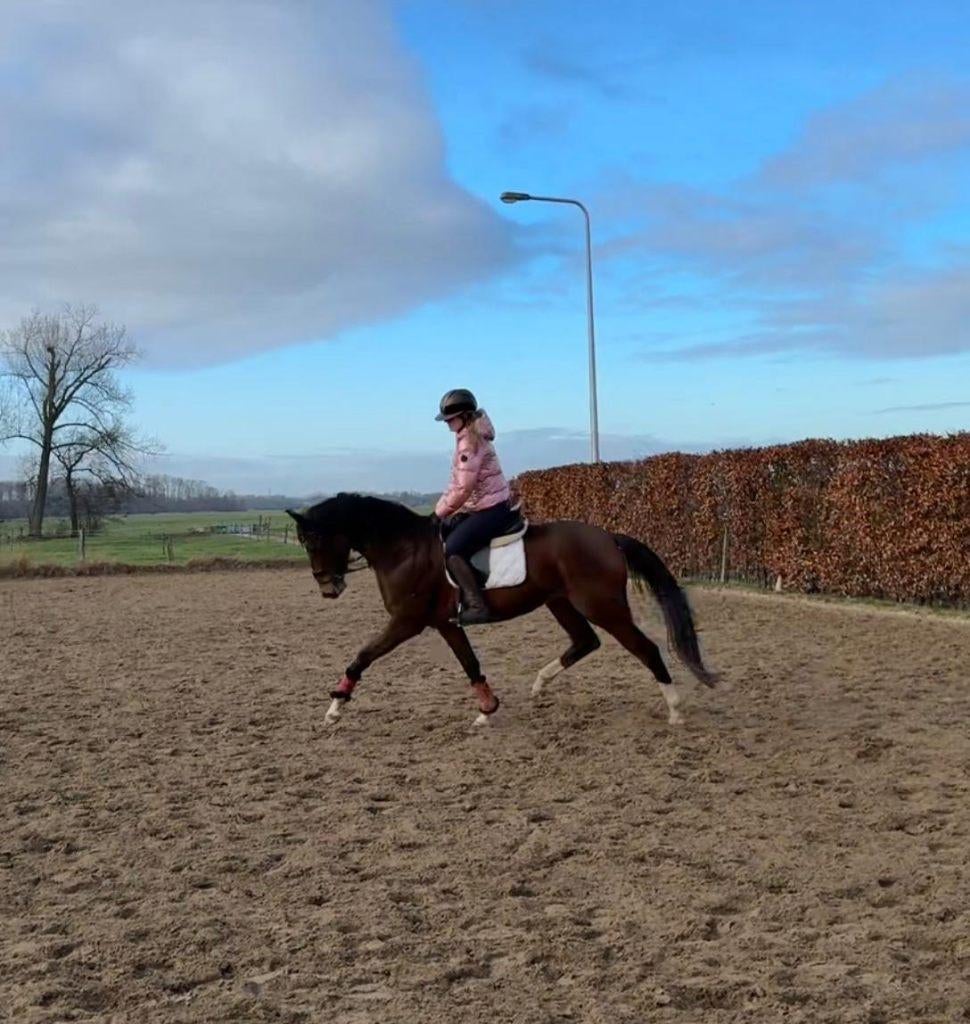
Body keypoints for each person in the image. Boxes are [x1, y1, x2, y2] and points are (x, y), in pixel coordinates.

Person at [434, 388, 517, 625]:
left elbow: (463, 488)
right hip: (483, 505)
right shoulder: (467, 436)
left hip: (491, 508)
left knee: (453, 549)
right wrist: (440, 511)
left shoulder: (470, 442)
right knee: (446, 530)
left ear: (465, 417)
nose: (448, 424)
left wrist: (438, 513)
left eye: (451, 419)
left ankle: (478, 605)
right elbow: (455, 484)